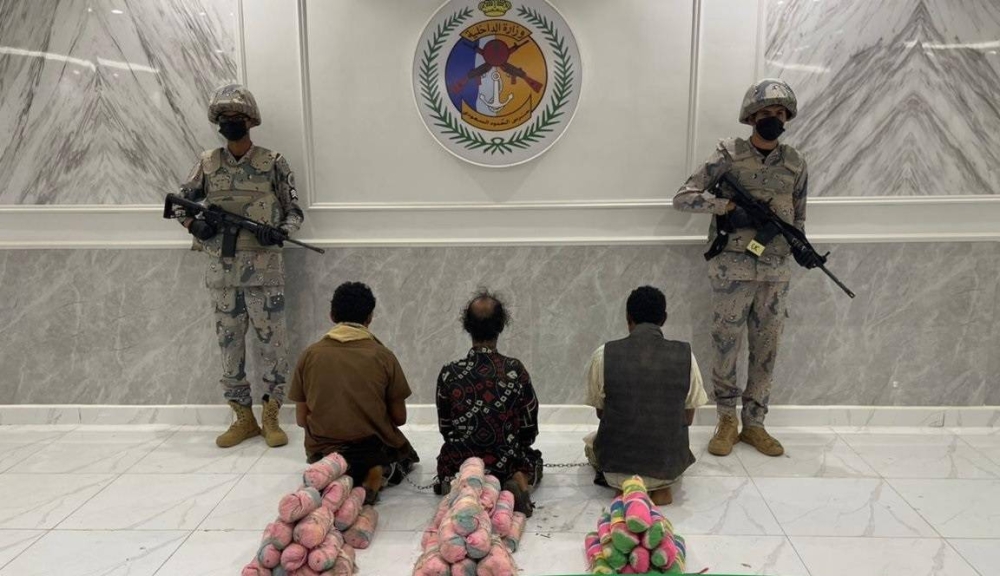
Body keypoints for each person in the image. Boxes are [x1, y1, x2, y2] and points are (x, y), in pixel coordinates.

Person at [673, 78, 819, 457]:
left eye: (779, 113)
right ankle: (726, 421)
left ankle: (755, 423)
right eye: (765, 112)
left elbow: (799, 218)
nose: (773, 118)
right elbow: (684, 198)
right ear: (751, 117)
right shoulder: (729, 154)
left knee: (766, 347)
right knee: (726, 345)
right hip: (732, 270)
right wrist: (726, 208)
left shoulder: (795, 162)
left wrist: (801, 249)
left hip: (774, 272)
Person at [173, 84, 303, 449]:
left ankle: (271, 416)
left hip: (264, 273)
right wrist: (194, 225)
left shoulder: (273, 162)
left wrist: (279, 232)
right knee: (229, 347)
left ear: (250, 121)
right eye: (224, 118)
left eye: (237, 117)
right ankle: (242, 418)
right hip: (224, 274)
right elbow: (179, 203)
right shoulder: (207, 163)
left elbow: (294, 211)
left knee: (273, 346)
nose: (230, 123)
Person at [288, 282, 419, 504]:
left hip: (323, 450)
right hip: (372, 449)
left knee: (330, 459)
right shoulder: (383, 356)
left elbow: (301, 420)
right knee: (406, 457)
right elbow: (400, 418)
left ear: (332, 315)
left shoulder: (309, 355)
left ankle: (333, 474)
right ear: (370, 317)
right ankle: (376, 473)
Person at [583, 286, 708, 505]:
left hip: (616, 468)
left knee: (591, 444)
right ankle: (661, 489)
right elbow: (687, 418)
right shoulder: (686, 355)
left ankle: (625, 490)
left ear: (628, 318)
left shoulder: (604, 354)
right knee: (668, 450)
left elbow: (602, 413)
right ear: (664, 319)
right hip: (668, 467)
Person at [434, 290, 542, 516]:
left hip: (463, 458)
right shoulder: (514, 370)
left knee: (450, 458)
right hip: (505, 459)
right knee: (530, 458)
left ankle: (457, 482)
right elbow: (529, 427)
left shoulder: (449, 373)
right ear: (501, 325)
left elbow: (446, 428)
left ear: (467, 326)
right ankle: (517, 481)